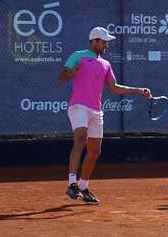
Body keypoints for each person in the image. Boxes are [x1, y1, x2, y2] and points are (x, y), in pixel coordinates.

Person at [58, 27, 151, 204]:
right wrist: (70, 73)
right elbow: (61, 78)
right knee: (80, 139)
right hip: (78, 106)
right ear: (94, 41)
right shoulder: (78, 56)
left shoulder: (106, 64)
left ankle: (83, 186)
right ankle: (72, 184)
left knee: (94, 151)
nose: (106, 45)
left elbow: (114, 87)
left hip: (96, 110)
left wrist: (138, 90)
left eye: (107, 42)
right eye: (103, 42)